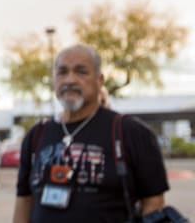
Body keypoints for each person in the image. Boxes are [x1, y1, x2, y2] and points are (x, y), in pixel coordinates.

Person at [13, 44, 171, 223]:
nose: (70, 80)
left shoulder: (131, 132)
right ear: (53, 81)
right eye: (62, 72)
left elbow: (154, 203)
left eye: (81, 72)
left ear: (100, 80)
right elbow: (24, 200)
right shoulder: (36, 135)